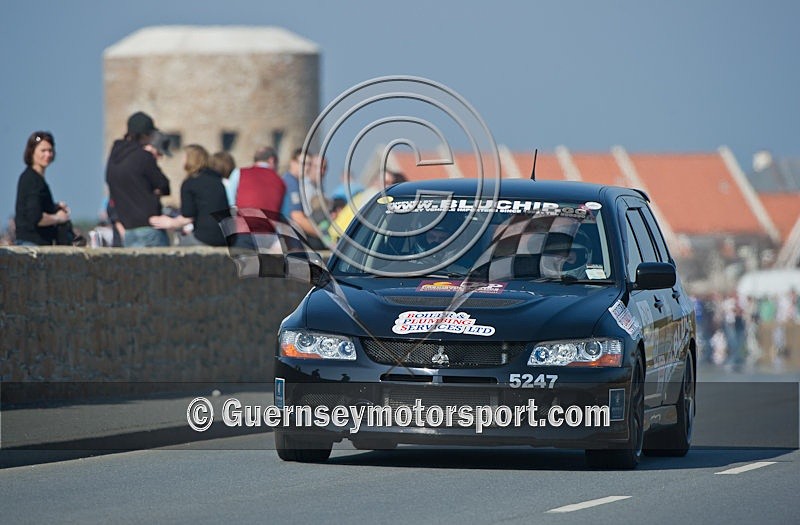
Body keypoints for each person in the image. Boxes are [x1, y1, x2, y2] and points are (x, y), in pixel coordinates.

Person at [105, 111, 171, 247]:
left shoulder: (113, 157)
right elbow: (164, 185)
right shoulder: (143, 157)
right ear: (145, 135)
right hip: (149, 228)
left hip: (128, 229)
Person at [149, 144, 229, 247]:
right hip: (224, 237)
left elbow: (188, 216)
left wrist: (170, 222)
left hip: (205, 237)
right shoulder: (217, 180)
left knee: (179, 245)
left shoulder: (190, 183)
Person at [14, 131, 71, 246]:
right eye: (43, 151)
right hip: (32, 244)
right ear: (32, 152)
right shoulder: (31, 180)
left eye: (50, 150)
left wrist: (55, 207)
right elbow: (36, 217)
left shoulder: (37, 179)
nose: (48, 155)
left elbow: (35, 206)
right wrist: (58, 218)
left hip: (37, 243)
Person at [280, 148, 325, 249]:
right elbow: (297, 217)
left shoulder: (293, 182)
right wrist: (323, 236)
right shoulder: (291, 184)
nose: (306, 168)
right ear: (292, 162)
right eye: (302, 163)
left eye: (309, 164)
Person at [225, 145, 285, 214]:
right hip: (269, 223)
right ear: (271, 160)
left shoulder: (239, 173)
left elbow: (229, 201)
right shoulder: (280, 181)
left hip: (242, 222)